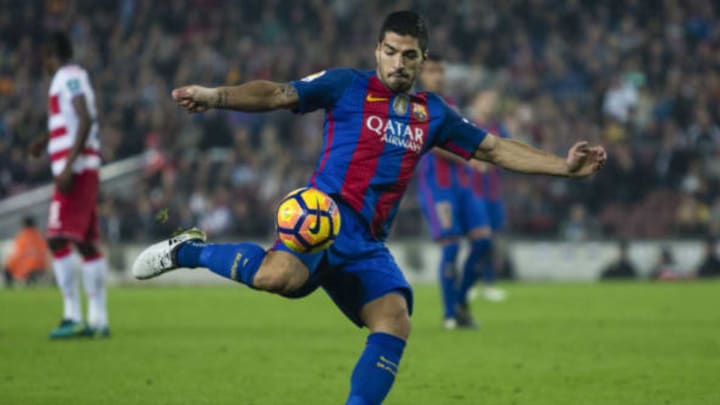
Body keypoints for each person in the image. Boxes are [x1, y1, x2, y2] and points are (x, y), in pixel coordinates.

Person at [132, 11, 606, 405]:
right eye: (391, 51)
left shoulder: (433, 113)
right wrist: (216, 96)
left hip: (368, 241)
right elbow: (277, 94)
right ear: (378, 50)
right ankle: (185, 251)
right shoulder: (345, 85)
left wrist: (563, 167)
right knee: (276, 280)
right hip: (321, 220)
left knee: (395, 320)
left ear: (422, 59)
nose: (399, 62)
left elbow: (494, 149)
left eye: (410, 55)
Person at [29, 32, 109, 338]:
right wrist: (46, 139)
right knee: (87, 244)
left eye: (44, 56)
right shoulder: (74, 77)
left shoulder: (67, 77)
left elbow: (84, 118)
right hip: (83, 166)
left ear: (51, 52)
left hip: (76, 169)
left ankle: (72, 316)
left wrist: (67, 165)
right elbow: (74, 120)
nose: (43, 63)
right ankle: (98, 320)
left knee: (57, 238)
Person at [415, 54, 493, 329]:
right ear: (420, 73)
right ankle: (450, 314)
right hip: (438, 188)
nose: (438, 75)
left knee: (484, 242)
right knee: (451, 247)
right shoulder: (416, 104)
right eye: (432, 70)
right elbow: (431, 142)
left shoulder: (450, 105)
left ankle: (460, 301)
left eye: (441, 70)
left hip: (464, 185)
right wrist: (470, 158)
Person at [3, 217, 49, 287]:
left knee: (7, 268)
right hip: (39, 267)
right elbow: (44, 252)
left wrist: (9, 264)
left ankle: (10, 286)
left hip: (26, 267)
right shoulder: (39, 236)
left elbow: (18, 253)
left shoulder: (22, 236)